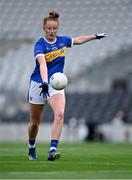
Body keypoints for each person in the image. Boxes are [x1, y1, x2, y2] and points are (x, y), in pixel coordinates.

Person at [28, 10, 107, 161]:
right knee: (34, 123)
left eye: (54, 28)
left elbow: (78, 40)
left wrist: (94, 36)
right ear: (44, 29)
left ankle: (52, 150)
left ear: (57, 29)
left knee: (60, 114)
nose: (52, 31)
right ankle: (31, 146)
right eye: (49, 28)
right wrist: (44, 82)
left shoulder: (62, 41)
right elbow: (42, 64)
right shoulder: (40, 44)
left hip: (55, 85)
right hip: (39, 83)